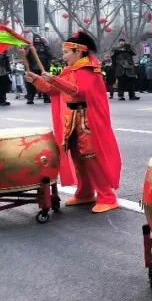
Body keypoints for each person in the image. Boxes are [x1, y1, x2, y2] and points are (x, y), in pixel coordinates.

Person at [25, 31, 122, 214]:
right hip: (73, 120)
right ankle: (85, 192)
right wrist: (36, 80)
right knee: (77, 156)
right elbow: (54, 90)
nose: (63, 56)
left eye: (66, 52)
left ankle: (107, 197)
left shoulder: (89, 70)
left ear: (78, 51)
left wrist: (54, 79)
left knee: (91, 157)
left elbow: (80, 91)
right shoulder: (70, 71)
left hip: (88, 120)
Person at [26, 34, 53, 104]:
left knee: (45, 83)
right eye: (36, 39)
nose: (37, 40)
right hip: (33, 68)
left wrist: (48, 65)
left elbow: (50, 56)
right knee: (31, 83)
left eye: (38, 39)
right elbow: (26, 57)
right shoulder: (30, 47)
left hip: (43, 68)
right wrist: (27, 67)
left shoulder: (45, 47)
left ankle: (46, 98)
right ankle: (30, 98)